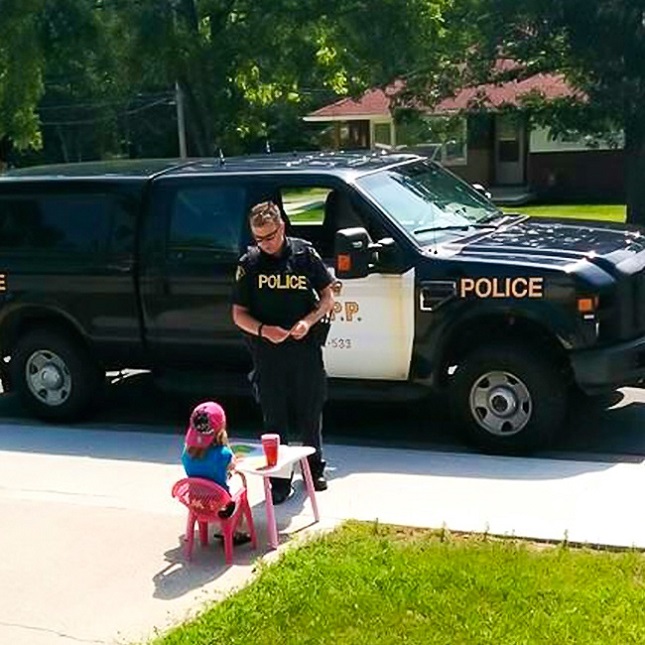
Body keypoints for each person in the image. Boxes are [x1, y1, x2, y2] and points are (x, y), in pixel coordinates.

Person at [231, 200, 335, 504]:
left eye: (270, 236)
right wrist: (264, 330)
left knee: (310, 411)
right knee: (274, 416)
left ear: (282, 227)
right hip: (268, 351)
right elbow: (239, 314)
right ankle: (279, 479)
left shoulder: (304, 254)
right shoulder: (249, 264)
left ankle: (314, 470)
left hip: (305, 348)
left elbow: (328, 297)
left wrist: (308, 320)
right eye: (258, 238)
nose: (264, 244)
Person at [181, 400, 250, 542]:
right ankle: (233, 530)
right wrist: (227, 446)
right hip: (220, 505)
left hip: (196, 503)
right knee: (241, 487)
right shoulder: (224, 454)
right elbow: (233, 466)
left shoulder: (186, 454)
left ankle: (203, 530)